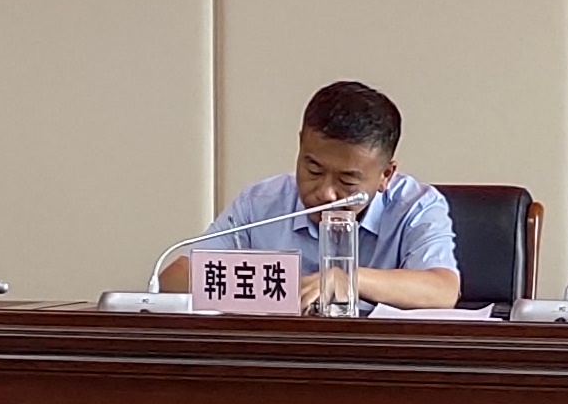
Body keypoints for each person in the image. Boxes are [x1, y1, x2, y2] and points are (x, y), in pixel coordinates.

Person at [192, 79, 461, 311]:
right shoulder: (261, 203)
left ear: (386, 175)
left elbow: (442, 290)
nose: (326, 193)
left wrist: (349, 279)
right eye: (314, 170)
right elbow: (180, 276)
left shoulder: (415, 207)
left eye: (347, 180)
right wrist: (281, 286)